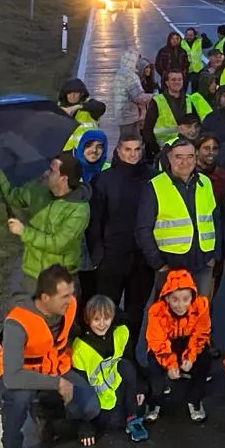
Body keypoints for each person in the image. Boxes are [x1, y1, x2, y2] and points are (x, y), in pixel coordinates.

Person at [0, 265, 97, 448]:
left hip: (54, 369)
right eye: (64, 296)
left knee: (91, 406)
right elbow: (13, 376)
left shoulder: (69, 307)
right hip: (20, 377)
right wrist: (57, 383)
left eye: (71, 294)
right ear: (45, 297)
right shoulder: (17, 322)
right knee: (20, 397)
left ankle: (47, 415)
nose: (70, 300)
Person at [0, 154, 90, 297]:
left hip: (59, 279)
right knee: (28, 317)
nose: (46, 173)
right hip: (31, 275)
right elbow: (9, 196)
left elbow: (58, 244)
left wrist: (24, 232)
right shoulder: (39, 193)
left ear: (63, 179)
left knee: (57, 319)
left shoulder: (79, 209)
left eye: (51, 171)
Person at [85, 130, 153, 331]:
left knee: (136, 311)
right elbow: (94, 221)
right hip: (112, 258)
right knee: (105, 310)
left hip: (143, 259)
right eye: (128, 149)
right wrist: (97, 256)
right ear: (119, 151)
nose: (133, 154)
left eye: (137, 149)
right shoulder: (103, 180)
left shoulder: (154, 178)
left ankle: (129, 357)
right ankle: (106, 357)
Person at [135, 137, 218, 299]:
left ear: (195, 157)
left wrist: (214, 256)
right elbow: (143, 229)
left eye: (189, 157)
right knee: (168, 316)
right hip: (171, 265)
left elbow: (215, 219)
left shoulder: (205, 183)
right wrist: (159, 264)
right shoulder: (155, 186)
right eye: (179, 157)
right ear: (169, 159)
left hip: (203, 263)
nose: (184, 162)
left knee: (200, 313)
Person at [70, 294, 147, 444]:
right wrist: (85, 426)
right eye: (96, 319)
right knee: (108, 424)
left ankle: (133, 419)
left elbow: (130, 361)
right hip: (94, 398)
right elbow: (79, 386)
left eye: (106, 318)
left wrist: (139, 388)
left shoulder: (121, 332)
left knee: (127, 367)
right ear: (87, 319)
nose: (102, 324)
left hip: (114, 390)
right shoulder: (80, 347)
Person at [140, 268, 212, 423]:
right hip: (165, 347)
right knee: (153, 367)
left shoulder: (201, 306)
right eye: (175, 299)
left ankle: (195, 400)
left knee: (205, 358)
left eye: (186, 299)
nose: (181, 305)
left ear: (192, 296)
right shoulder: (156, 311)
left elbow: (200, 334)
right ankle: (154, 403)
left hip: (189, 343)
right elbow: (157, 341)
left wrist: (190, 356)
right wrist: (170, 364)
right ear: (166, 298)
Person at [142, 68, 212, 155]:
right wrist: (155, 150)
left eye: (180, 79)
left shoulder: (189, 100)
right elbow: (147, 129)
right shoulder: (157, 101)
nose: (177, 82)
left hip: (185, 148)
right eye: (173, 80)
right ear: (167, 83)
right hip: (163, 149)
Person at [109, 48, 151, 132]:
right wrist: (154, 96)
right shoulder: (130, 76)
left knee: (124, 139)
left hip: (121, 114)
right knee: (133, 140)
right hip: (130, 115)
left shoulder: (119, 73)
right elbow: (139, 97)